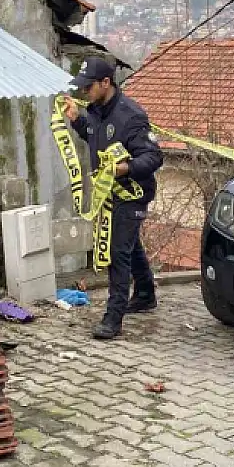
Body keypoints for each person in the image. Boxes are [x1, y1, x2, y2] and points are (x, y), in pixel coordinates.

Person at [63, 56, 165, 340]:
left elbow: (154, 156)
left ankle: (113, 317)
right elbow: (94, 136)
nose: (84, 92)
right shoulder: (96, 110)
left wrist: (124, 168)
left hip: (132, 192)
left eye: (88, 87)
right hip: (108, 191)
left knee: (117, 250)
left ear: (105, 83)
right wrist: (76, 121)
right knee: (130, 247)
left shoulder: (131, 115)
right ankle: (145, 294)